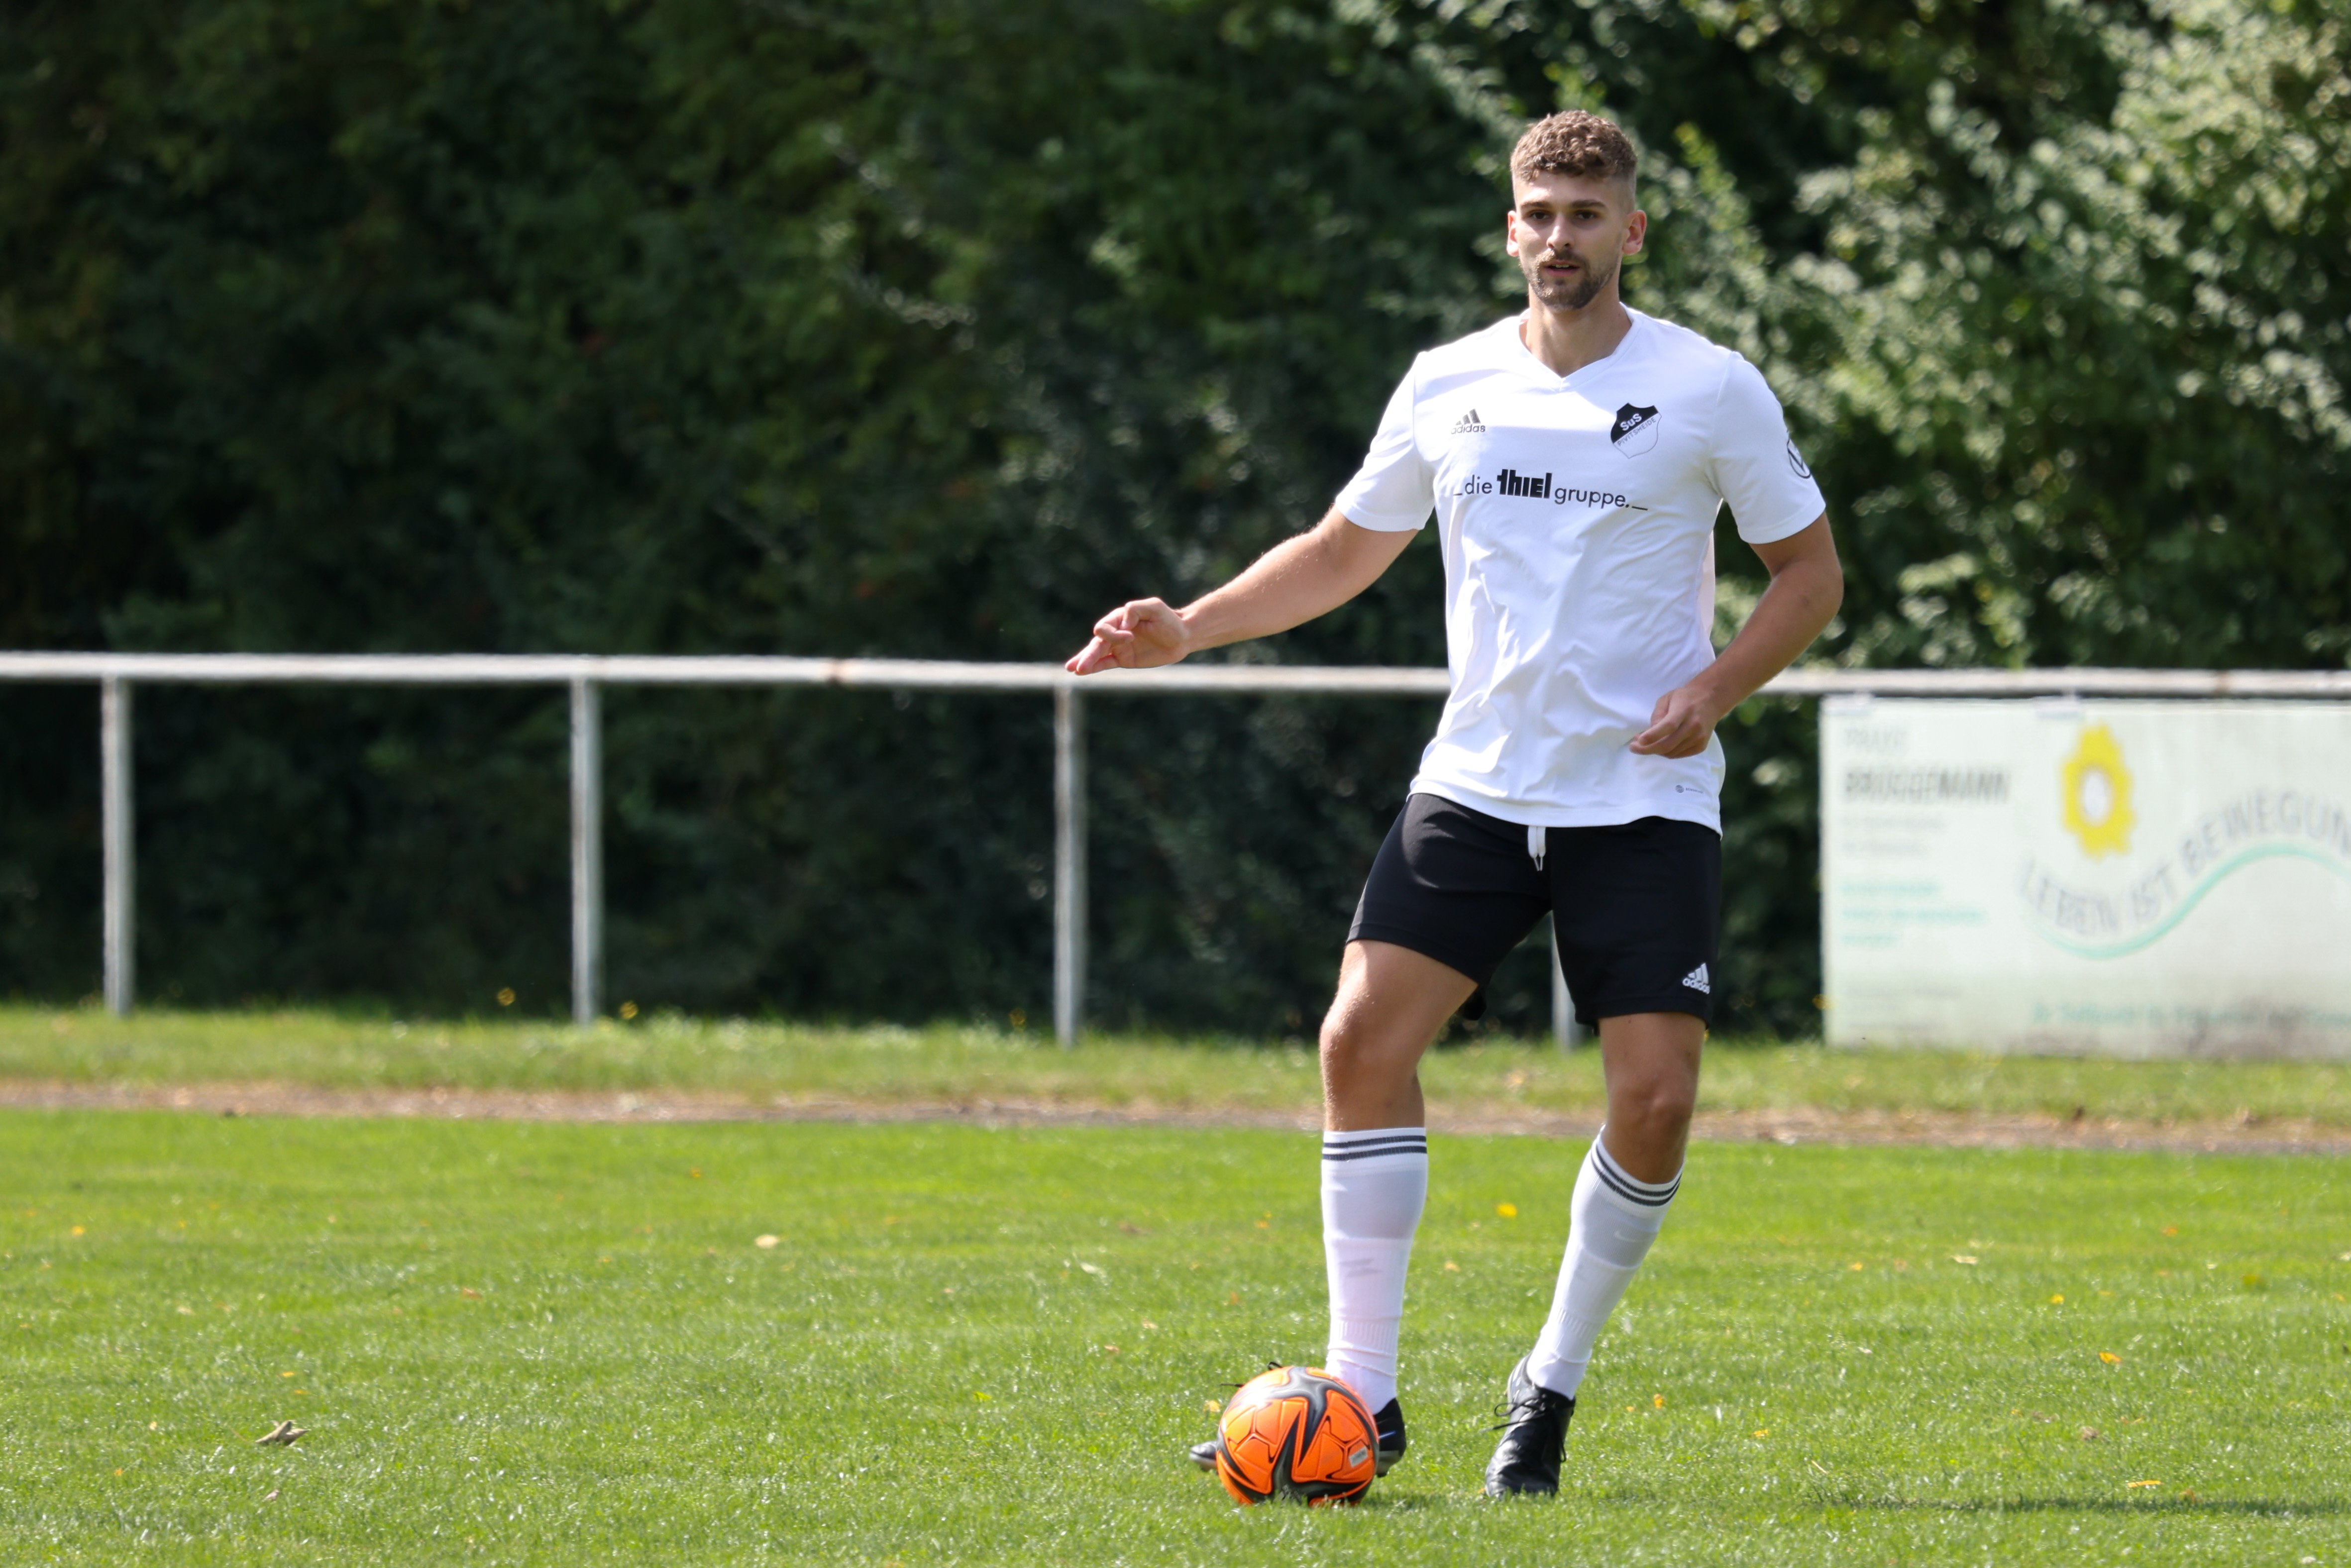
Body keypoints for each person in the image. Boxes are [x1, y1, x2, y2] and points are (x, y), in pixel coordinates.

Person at [1066, 108, 1842, 1497]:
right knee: (1359, 1040)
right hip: (1476, 785)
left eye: (1585, 215)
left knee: (1656, 1099)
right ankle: (1360, 1397)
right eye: (1538, 213)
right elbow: (1339, 551)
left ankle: (1547, 1385)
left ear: (1631, 230)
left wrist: (1715, 690)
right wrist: (1188, 627)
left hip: (1642, 795)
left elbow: (1810, 576)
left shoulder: (1710, 387)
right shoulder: (1448, 381)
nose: (1559, 237)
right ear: (1509, 227)